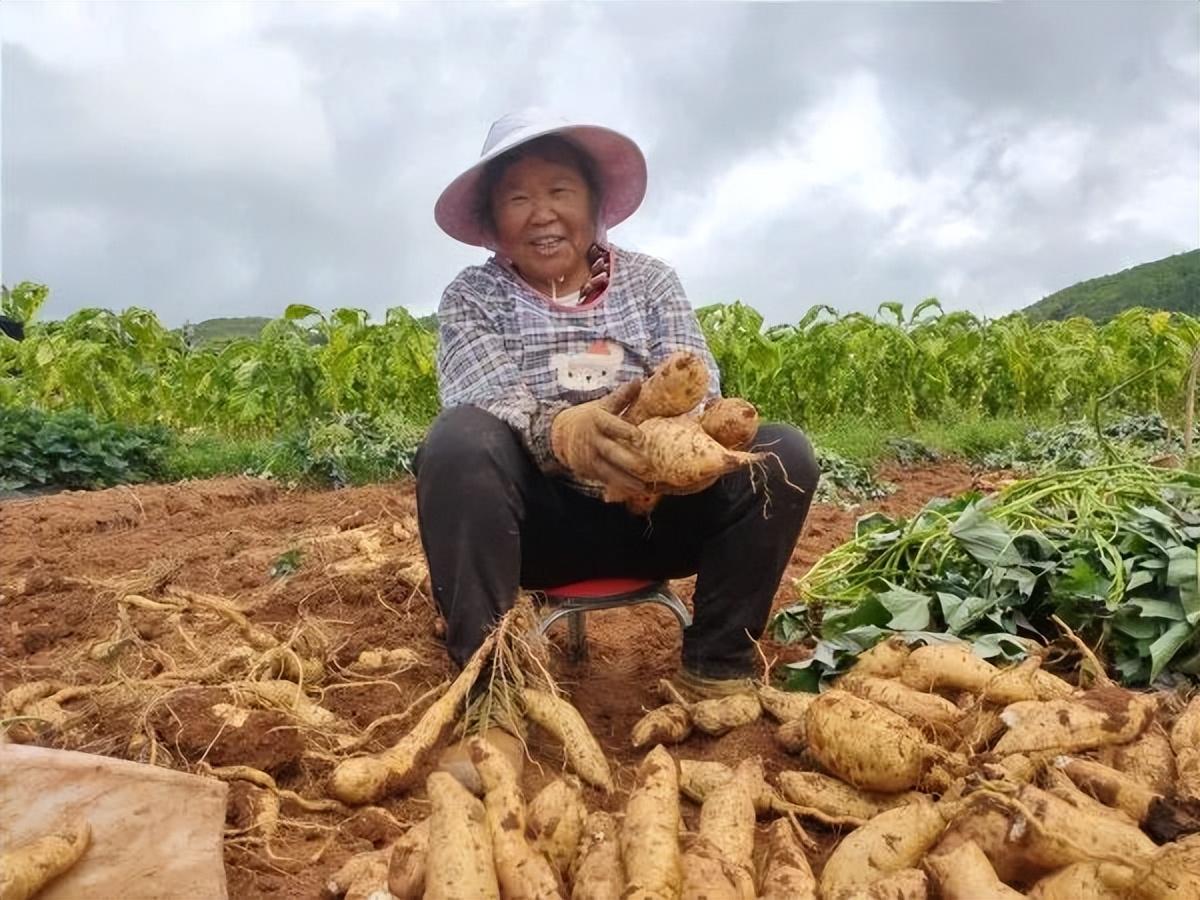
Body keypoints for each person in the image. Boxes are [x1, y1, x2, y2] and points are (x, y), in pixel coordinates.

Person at [416, 109, 820, 704]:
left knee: (782, 453)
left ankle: (718, 668)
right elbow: (487, 398)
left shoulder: (651, 282)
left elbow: (698, 389)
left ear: (595, 203)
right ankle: (490, 693)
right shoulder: (474, 296)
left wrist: (659, 450)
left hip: (657, 515)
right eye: (517, 198)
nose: (542, 212)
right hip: (535, 530)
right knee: (456, 440)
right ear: (494, 222)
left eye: (560, 191)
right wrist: (563, 430)